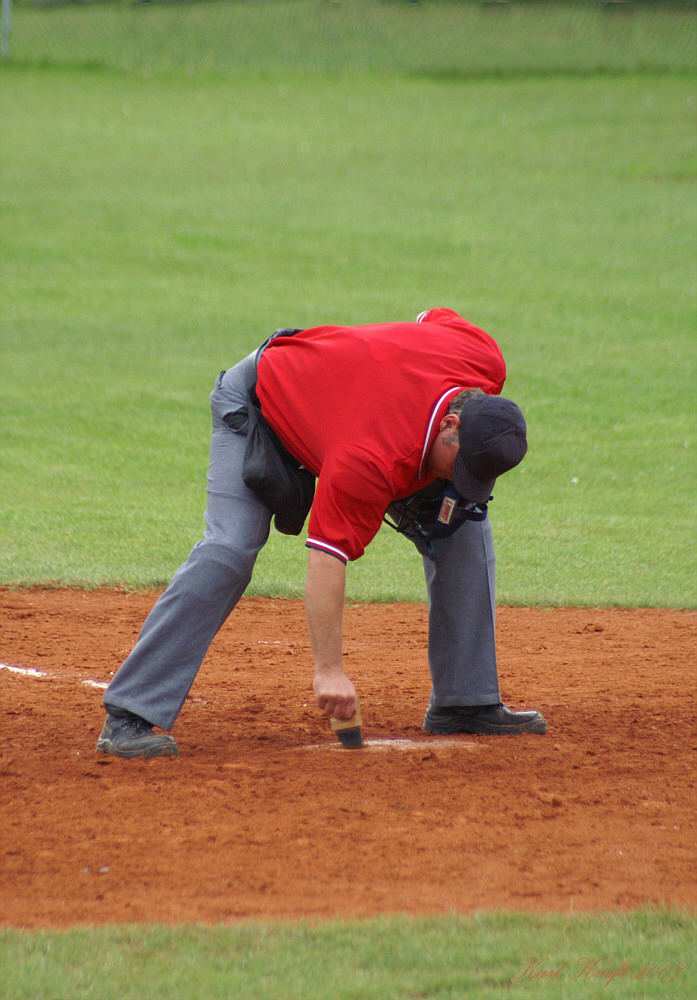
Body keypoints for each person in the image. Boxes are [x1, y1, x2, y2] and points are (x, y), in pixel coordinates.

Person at [96, 307, 546, 759]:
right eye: (461, 464)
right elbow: (327, 557)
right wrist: (329, 670)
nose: (461, 476)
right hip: (260, 406)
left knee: (463, 524)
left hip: (351, 416)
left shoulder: (483, 359)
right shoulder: (370, 459)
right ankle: (128, 714)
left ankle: (465, 701)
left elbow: (432, 317)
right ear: (451, 424)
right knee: (230, 549)